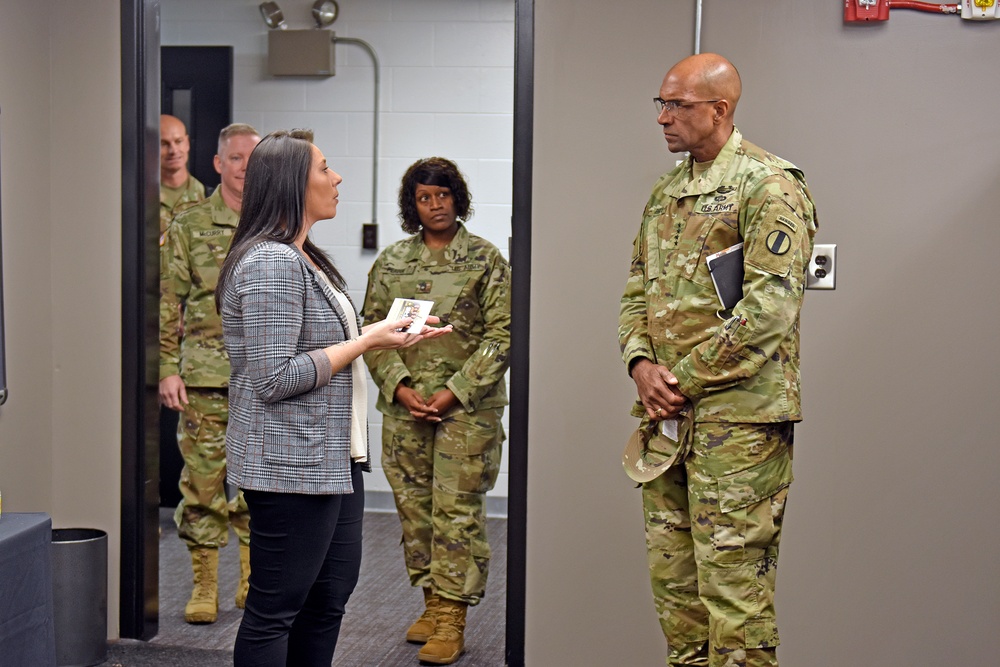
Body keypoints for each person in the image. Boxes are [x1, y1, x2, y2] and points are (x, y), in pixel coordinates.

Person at [217, 130, 450, 666]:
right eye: (325, 169)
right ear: (292, 185)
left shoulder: (304, 257)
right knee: (275, 611)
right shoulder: (271, 262)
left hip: (330, 461)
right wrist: (368, 341)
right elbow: (274, 377)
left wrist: (383, 330)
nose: (337, 177)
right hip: (289, 464)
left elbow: (314, 344)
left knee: (326, 601)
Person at [618, 54, 817, 667]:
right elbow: (636, 290)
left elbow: (769, 311)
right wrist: (640, 366)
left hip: (739, 428)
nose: (662, 118)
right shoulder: (667, 191)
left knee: (736, 597)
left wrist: (679, 379)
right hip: (669, 421)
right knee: (677, 594)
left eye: (675, 105)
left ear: (720, 109)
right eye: (660, 103)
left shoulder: (770, 185)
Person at [362, 157, 511, 665]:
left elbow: (503, 334)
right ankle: (431, 600)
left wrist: (454, 390)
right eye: (425, 197)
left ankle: (453, 616)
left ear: (457, 198)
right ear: (413, 205)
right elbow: (370, 332)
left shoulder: (485, 259)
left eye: (443, 196)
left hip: (465, 411)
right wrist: (400, 386)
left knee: (456, 513)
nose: (435, 205)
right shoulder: (392, 263)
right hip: (406, 408)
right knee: (414, 512)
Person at [159, 123, 261, 624]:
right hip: (203, 376)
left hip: (265, 379)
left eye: (253, 158)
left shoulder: (279, 224)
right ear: (218, 164)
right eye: (236, 158)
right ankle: (203, 584)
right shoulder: (190, 223)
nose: (244, 167)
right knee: (202, 484)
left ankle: (249, 577)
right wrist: (165, 369)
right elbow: (167, 300)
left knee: (257, 486)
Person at [160, 114, 205, 236]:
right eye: (164, 144)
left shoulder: (207, 196)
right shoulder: (141, 198)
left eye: (178, 141)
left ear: (187, 143)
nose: (173, 150)